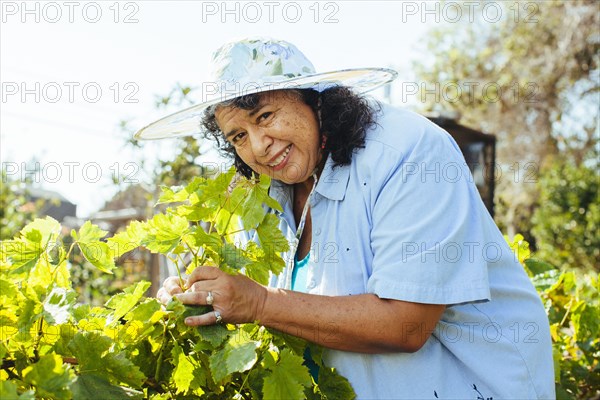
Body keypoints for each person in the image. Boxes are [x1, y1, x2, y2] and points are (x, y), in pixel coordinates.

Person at [135, 37, 555, 399]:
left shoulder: (409, 153)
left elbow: (405, 324)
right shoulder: (263, 196)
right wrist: (200, 297)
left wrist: (258, 303)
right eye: (238, 136)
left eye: (265, 116)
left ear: (316, 100)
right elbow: (254, 299)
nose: (259, 147)